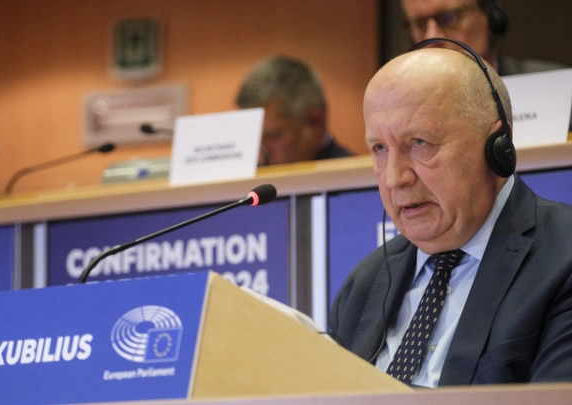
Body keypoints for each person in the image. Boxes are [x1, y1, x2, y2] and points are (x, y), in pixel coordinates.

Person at [329, 46, 572, 387]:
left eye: (419, 142)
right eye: (380, 149)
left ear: (499, 145)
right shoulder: (364, 284)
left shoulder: (563, 260)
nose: (394, 178)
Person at [235, 56, 351, 165]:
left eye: (273, 136)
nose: (259, 155)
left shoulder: (355, 180)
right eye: (252, 139)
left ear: (316, 122)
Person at [402, 0, 566, 75]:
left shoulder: (558, 92)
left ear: (493, 18)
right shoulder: (399, 110)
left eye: (449, 18)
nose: (432, 36)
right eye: (421, 24)